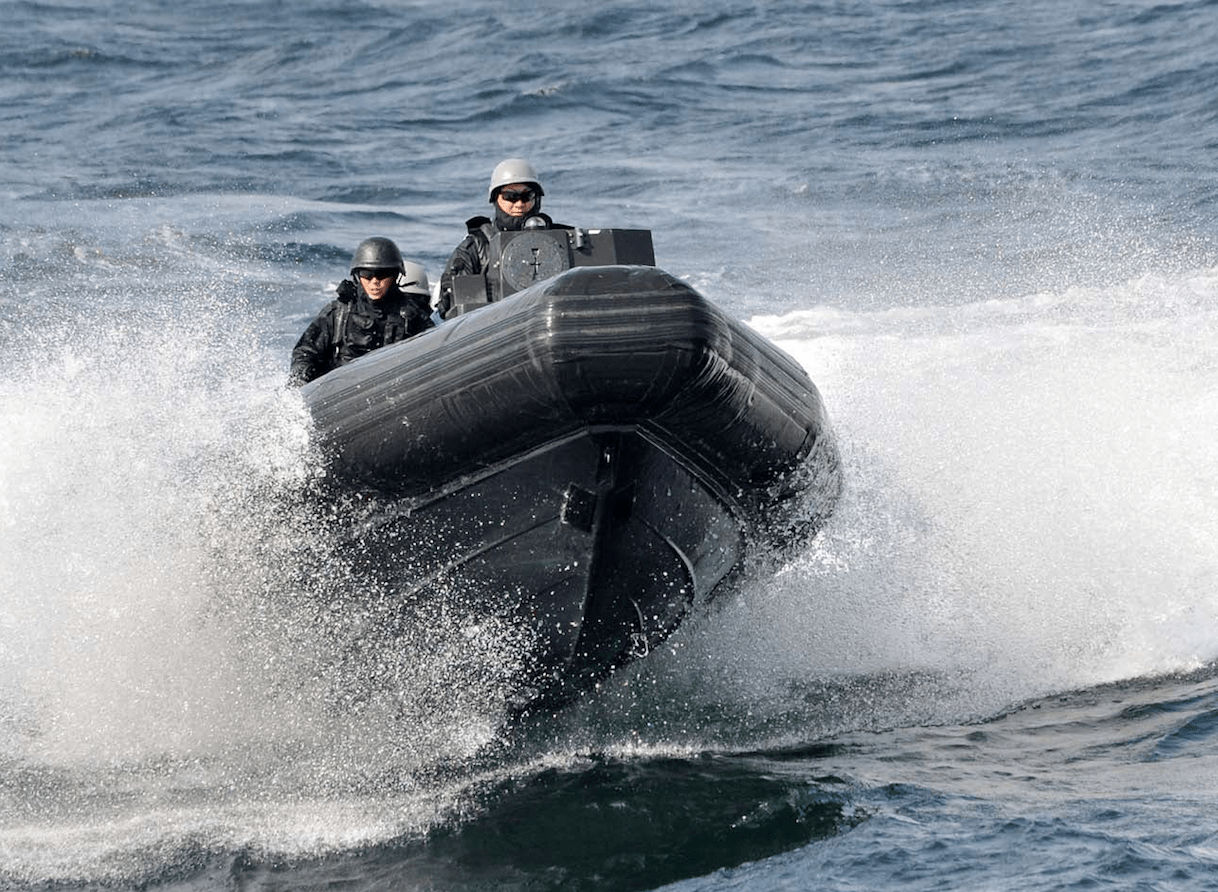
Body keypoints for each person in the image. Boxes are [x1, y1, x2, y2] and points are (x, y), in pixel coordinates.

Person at [436, 157, 571, 319]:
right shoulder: (476, 247)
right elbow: (453, 308)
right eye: (510, 196)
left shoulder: (563, 239)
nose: (519, 203)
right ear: (495, 199)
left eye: (527, 196)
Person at [288, 236, 433, 386]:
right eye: (367, 275)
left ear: (395, 275)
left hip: (393, 390)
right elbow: (305, 353)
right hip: (341, 392)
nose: (374, 282)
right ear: (358, 276)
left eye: (382, 275)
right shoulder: (338, 313)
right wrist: (302, 378)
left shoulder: (411, 316)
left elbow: (433, 354)